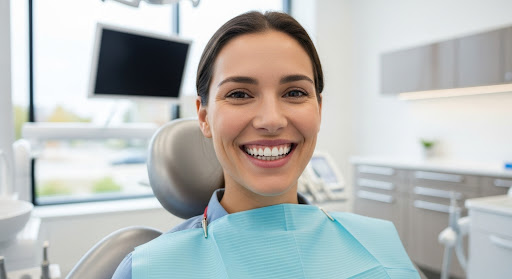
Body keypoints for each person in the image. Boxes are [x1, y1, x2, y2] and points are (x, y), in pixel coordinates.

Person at [112, 11, 420, 279]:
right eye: (239, 94)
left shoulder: (382, 243)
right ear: (204, 118)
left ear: (319, 110)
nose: (271, 120)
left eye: (295, 93)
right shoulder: (147, 270)